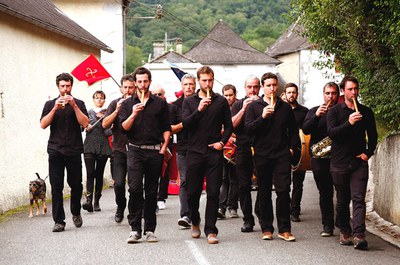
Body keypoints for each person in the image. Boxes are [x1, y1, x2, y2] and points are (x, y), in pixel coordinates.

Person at [245, 72, 299, 242]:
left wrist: (291, 149)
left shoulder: (284, 107)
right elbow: (248, 129)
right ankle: (266, 228)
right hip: (262, 154)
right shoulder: (255, 107)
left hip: (281, 154)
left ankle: (284, 229)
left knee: (283, 190)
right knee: (264, 192)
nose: (272, 88)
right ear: (262, 87)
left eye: (274, 85)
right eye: (268, 85)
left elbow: (293, 131)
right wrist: (262, 117)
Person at [120, 67, 171, 243]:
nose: (142, 84)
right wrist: (134, 114)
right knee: (134, 189)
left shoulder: (160, 103)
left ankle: (150, 229)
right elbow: (124, 128)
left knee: (151, 191)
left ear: (149, 81)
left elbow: (166, 128)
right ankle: (135, 229)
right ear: (135, 83)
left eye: (145, 81)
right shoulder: (127, 104)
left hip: (155, 150)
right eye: (139, 81)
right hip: (134, 149)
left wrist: (164, 148)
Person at [182, 66, 233, 244]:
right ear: (198, 81)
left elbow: (229, 125)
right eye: (204, 80)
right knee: (192, 192)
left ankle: (211, 230)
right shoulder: (189, 101)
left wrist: (222, 142)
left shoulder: (220, 101)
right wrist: (199, 110)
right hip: (194, 152)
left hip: (214, 153)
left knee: (213, 192)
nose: (208, 83)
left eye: (210, 80)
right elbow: (185, 125)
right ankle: (195, 221)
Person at [326, 76, 377, 250]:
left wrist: (368, 153)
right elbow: (332, 133)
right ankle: (345, 231)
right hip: (339, 161)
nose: (354, 92)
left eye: (356, 89)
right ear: (343, 91)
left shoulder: (366, 111)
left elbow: (373, 135)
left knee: (358, 198)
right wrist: (348, 123)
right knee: (342, 200)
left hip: (358, 162)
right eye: (350, 89)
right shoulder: (334, 111)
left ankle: (359, 235)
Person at [40, 73, 89, 232]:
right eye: (62, 86)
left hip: (74, 149)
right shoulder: (49, 104)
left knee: (76, 184)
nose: (65, 89)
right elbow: (43, 124)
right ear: (58, 87)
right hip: (55, 150)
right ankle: (59, 221)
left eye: (68, 86)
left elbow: (85, 123)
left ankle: (75, 211)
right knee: (56, 186)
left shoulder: (79, 103)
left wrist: (74, 106)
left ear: (71, 86)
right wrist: (55, 107)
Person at [302, 82, 339, 237]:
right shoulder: (314, 111)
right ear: (323, 94)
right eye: (327, 93)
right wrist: (317, 116)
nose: (330, 96)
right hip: (319, 157)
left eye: (333, 93)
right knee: (325, 193)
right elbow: (305, 129)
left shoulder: (342, 111)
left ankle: (343, 224)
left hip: (338, 157)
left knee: (343, 192)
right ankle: (328, 225)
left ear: (338, 94)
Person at [102, 74, 136, 223]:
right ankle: (120, 206)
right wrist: (116, 111)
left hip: (136, 149)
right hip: (119, 150)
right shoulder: (114, 103)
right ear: (121, 88)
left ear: (135, 88)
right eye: (125, 87)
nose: (128, 90)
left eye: (131, 87)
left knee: (135, 186)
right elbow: (104, 125)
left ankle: (134, 211)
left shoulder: (139, 103)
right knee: (119, 184)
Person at [230, 75, 260, 232]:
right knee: (243, 185)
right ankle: (248, 219)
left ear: (260, 88)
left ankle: (260, 212)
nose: (253, 90)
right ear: (245, 88)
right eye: (250, 87)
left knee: (264, 183)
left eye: (255, 87)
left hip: (262, 147)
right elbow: (232, 125)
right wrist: (244, 109)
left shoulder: (265, 103)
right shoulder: (238, 104)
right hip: (243, 147)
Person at [170, 74, 196, 228]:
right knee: (185, 180)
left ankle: (195, 213)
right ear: (181, 86)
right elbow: (171, 128)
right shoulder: (175, 106)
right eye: (186, 84)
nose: (188, 87)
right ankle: (185, 215)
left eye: (191, 84)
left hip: (200, 148)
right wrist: (186, 122)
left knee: (196, 182)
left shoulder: (203, 102)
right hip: (183, 148)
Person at [82, 90, 112, 212]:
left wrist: (109, 124)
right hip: (89, 145)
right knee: (90, 173)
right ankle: (88, 199)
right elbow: (81, 126)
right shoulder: (88, 113)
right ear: (93, 100)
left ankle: (97, 201)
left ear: (104, 100)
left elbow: (108, 132)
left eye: (101, 98)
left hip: (102, 145)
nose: (98, 100)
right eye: (96, 98)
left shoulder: (107, 113)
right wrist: (86, 126)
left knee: (99, 174)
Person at [283, 83, 309, 222]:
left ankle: (295, 210)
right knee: (284, 182)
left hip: (300, 150)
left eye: (293, 92)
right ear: (285, 94)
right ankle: (286, 208)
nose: (291, 95)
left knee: (299, 183)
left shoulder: (305, 111)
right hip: (283, 150)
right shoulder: (280, 110)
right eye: (289, 92)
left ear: (297, 94)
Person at [218, 84, 239, 219]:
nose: (228, 98)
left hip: (237, 147)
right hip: (224, 147)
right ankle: (222, 207)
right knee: (223, 178)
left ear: (235, 95)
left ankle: (233, 207)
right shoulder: (219, 108)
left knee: (235, 178)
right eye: (226, 95)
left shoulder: (239, 107)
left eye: (231, 95)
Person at [151, 85, 172, 211]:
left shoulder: (170, 108)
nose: (158, 97)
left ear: (164, 95)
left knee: (164, 172)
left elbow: (170, 126)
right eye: (155, 94)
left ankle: (161, 198)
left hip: (166, 143)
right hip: (152, 143)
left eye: (160, 94)